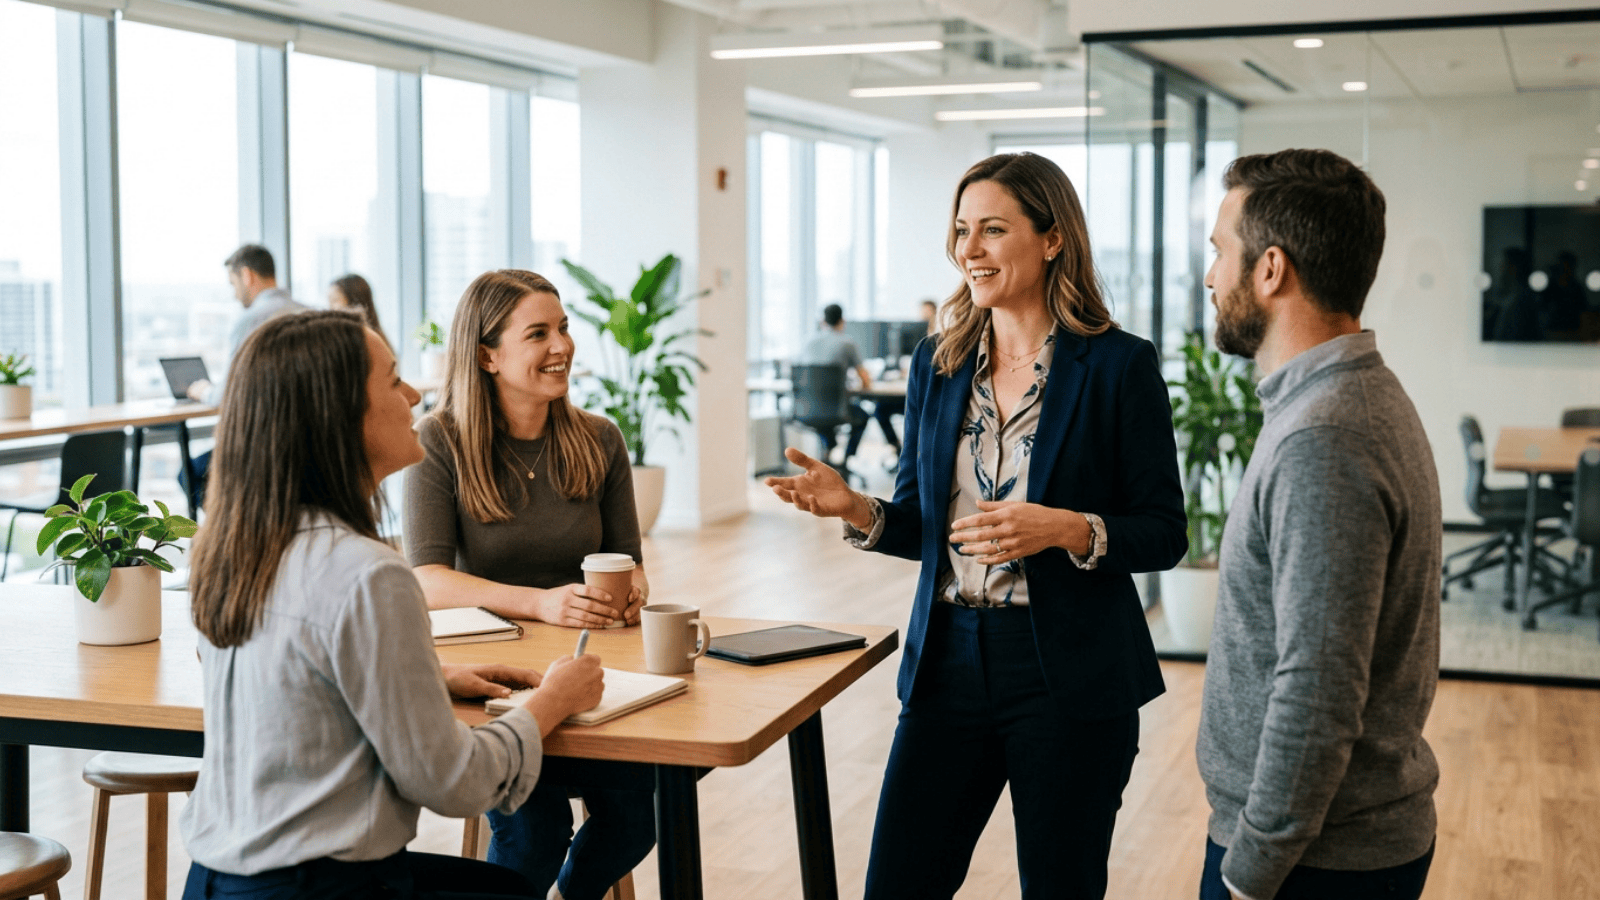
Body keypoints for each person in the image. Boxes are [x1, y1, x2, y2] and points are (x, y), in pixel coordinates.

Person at [765, 151, 1187, 899]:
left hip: (1068, 673)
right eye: (962, 230)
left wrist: (1064, 528)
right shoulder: (939, 362)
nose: (969, 250)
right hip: (948, 664)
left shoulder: (1119, 365)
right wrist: (856, 509)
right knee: (897, 885)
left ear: (1052, 238)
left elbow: (1163, 531)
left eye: (993, 229)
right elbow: (924, 524)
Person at [179, 310, 605, 900]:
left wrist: (430, 677)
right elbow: (455, 783)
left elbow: (294, 679)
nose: (412, 396)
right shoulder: (368, 573)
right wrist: (554, 701)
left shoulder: (231, 550)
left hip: (216, 881)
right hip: (323, 889)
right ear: (339, 418)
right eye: (393, 380)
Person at [1196, 149, 1441, 900]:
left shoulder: (1323, 436)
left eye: (1219, 253)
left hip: (1310, 863)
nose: (1210, 277)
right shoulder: (1350, 398)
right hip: (1325, 848)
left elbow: (1319, 688)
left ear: (1270, 269)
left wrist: (1250, 873)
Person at [403, 269, 656, 900]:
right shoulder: (440, 441)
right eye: (538, 333)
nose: (562, 346)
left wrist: (634, 587)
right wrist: (541, 602)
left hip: (594, 671)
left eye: (564, 328)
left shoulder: (599, 439)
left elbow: (628, 557)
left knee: (634, 823)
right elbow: (425, 580)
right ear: (487, 354)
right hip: (496, 681)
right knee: (534, 832)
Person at [180, 244, 308, 510]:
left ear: (247, 275)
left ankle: (238, 538)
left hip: (266, 448)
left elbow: (224, 396)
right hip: (309, 447)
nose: (234, 293)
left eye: (233, 282)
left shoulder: (251, 320)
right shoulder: (312, 314)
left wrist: (202, 390)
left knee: (190, 474)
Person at [798, 303, 876, 467]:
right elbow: (865, 379)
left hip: (809, 408)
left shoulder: (807, 342)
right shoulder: (847, 343)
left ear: (822, 321)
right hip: (837, 409)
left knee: (822, 415)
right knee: (862, 416)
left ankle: (828, 448)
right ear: (842, 321)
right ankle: (846, 459)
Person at [329, 272, 391, 349]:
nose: (329, 308)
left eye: (335, 300)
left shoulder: (363, 340)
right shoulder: (378, 339)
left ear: (354, 303)